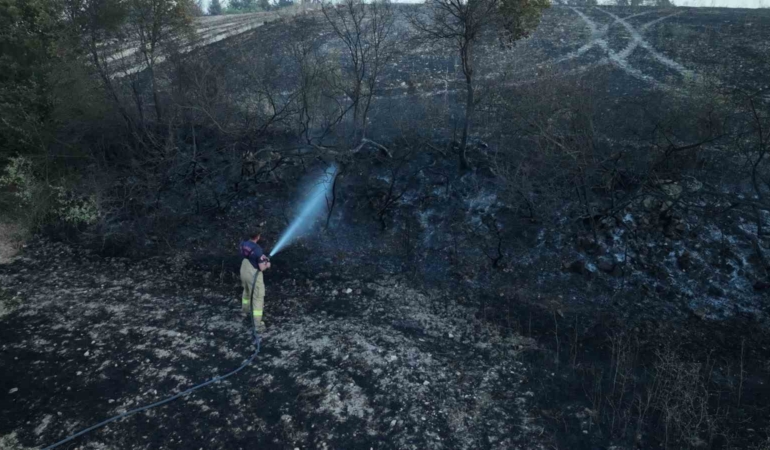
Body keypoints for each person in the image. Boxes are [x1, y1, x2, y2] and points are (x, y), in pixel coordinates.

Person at [239, 228, 271, 332]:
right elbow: (261, 268)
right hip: (253, 273)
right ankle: (257, 324)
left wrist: (260, 258)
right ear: (258, 236)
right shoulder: (257, 249)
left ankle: (244, 312)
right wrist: (267, 264)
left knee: (246, 291)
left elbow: (248, 255)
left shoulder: (244, 243)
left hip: (244, 268)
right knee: (258, 297)